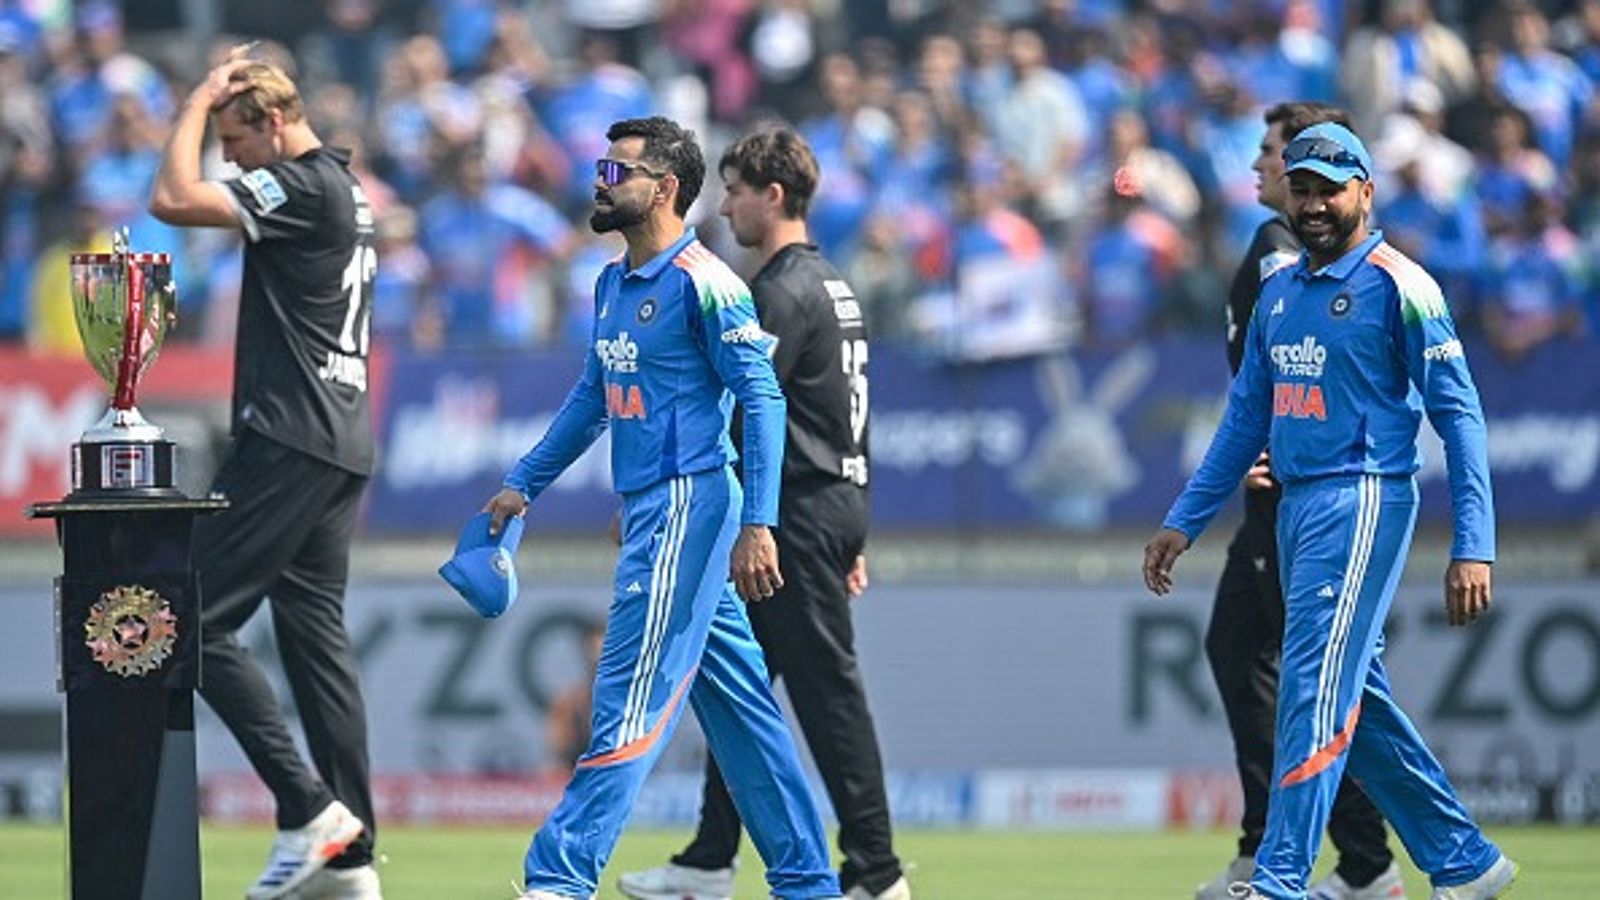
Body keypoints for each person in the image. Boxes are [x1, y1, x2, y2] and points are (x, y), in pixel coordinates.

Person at [1141, 122, 1517, 900]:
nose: (1312, 205)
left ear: (1365, 193)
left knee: (1310, 685)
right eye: (1302, 189)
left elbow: (1460, 416)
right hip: (1294, 508)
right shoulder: (1280, 293)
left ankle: (1279, 879)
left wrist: (1473, 544)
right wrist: (1185, 519)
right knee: (1354, 696)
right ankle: (1464, 860)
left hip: (1364, 494)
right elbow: (1244, 421)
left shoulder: (1400, 285)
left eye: (1329, 190)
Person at [481, 115, 842, 900]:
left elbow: (763, 399)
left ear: (665, 189)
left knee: (627, 694)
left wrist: (759, 524)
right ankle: (810, 885)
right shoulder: (612, 282)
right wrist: (525, 482)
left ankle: (558, 879)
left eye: (617, 173)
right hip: (655, 504)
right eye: (600, 168)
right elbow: (593, 397)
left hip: (690, 503)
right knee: (743, 715)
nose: (600, 182)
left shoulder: (707, 282)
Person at [618, 128, 908, 900]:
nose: (726, 207)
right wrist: (852, 528)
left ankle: (877, 872)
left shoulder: (780, 290)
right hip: (827, 503)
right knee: (739, 690)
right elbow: (844, 416)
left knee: (827, 694)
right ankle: (711, 857)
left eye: (738, 190)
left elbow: (748, 404)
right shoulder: (833, 284)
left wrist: (713, 499)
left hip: (793, 514)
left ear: (773, 196)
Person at [149, 49, 381, 900]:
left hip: (288, 434)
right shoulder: (345, 187)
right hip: (340, 435)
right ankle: (351, 862)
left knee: (188, 616)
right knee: (316, 647)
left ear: (274, 121)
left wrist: (195, 99)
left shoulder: (306, 185)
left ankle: (309, 809)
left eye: (236, 140)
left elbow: (171, 199)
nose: (231, 158)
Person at [1194, 102, 1403, 900]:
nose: (1262, 166)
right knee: (1247, 653)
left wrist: (1279, 442)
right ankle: (1327, 856)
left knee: (1308, 678)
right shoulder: (1275, 248)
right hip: (1277, 485)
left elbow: (1309, 365)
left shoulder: (1289, 258)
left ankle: (1353, 860)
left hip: (1297, 494)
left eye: (1272, 153)